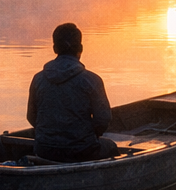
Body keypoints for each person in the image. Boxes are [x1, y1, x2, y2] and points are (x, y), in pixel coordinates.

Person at [26, 23, 120, 163]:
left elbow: (31, 117)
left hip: (44, 150)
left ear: (54, 48)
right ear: (80, 48)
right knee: (110, 146)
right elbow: (103, 119)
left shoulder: (38, 79)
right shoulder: (92, 80)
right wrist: (87, 137)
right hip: (81, 151)